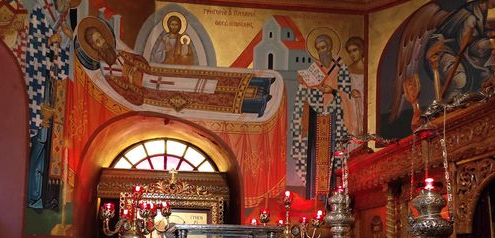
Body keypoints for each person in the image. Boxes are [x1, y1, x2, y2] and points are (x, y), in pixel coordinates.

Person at [75, 16, 276, 117]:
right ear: (94, 47)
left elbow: (142, 62)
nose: (102, 42)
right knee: (205, 96)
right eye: (97, 41)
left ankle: (261, 83)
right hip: (155, 92)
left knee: (210, 79)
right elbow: (126, 92)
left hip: (165, 75)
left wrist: (135, 67)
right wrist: (134, 80)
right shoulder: (107, 71)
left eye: (101, 38)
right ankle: (255, 103)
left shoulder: (120, 54)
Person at [290, 30, 351, 198]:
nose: (321, 52)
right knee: (315, 159)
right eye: (318, 49)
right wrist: (304, 84)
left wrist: (333, 91)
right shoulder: (313, 69)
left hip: (335, 121)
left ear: (330, 47)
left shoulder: (341, 68)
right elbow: (303, 96)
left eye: (324, 47)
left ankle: (335, 195)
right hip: (315, 121)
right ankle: (316, 197)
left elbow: (347, 93)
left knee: (334, 160)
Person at [344, 36, 364, 136]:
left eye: (354, 50)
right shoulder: (347, 69)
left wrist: (361, 94)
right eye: (349, 52)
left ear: (361, 49)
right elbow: (343, 90)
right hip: (352, 105)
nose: (352, 54)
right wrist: (350, 92)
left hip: (364, 105)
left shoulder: (369, 68)